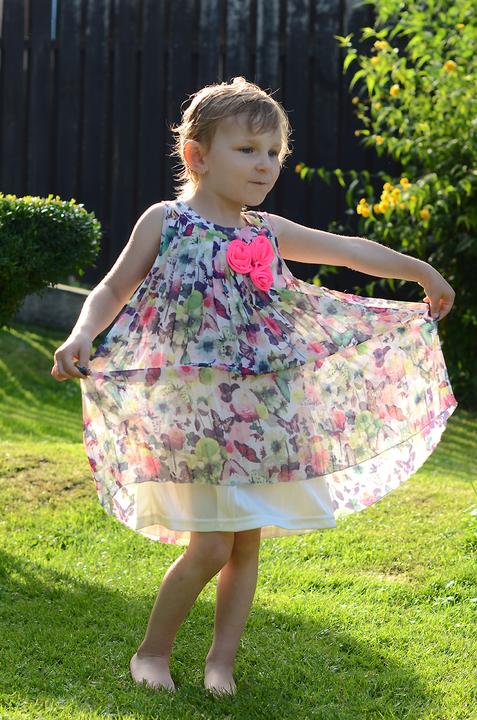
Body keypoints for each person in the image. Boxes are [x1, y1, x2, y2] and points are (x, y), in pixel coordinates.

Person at [51, 76, 457, 697]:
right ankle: (152, 652)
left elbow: (347, 251)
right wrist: (83, 333)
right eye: (247, 150)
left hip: (266, 412)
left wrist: (420, 270)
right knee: (211, 545)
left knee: (245, 545)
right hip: (196, 413)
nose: (265, 164)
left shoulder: (265, 231)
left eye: (273, 152)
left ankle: (221, 662)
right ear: (197, 155)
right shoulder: (168, 222)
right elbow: (112, 288)